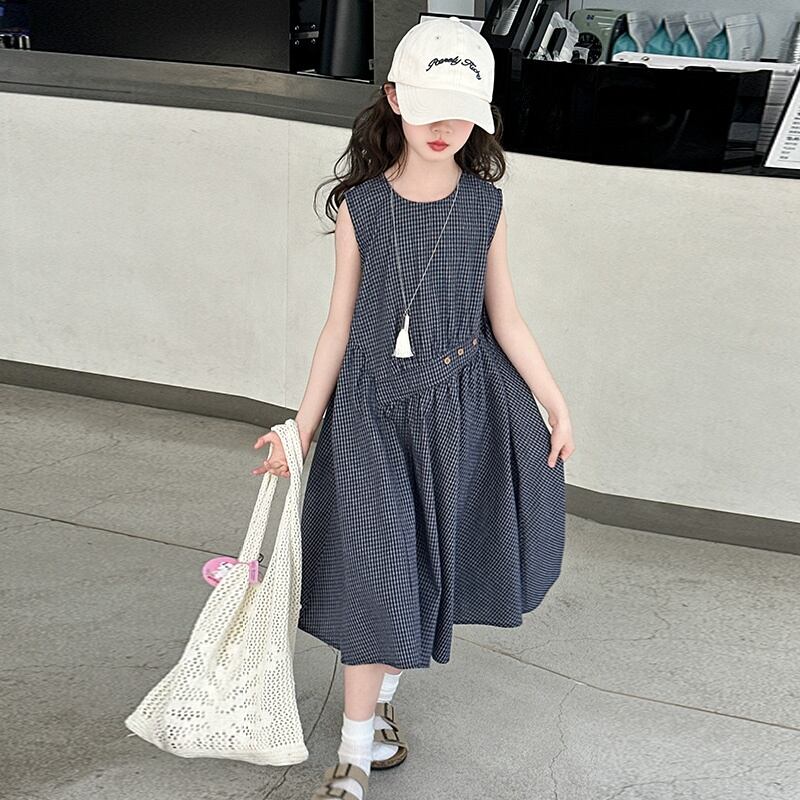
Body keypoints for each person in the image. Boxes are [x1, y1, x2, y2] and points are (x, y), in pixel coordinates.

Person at [251, 15, 574, 800]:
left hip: (461, 411)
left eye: (461, 112)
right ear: (394, 99)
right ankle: (353, 756)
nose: (444, 128)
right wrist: (301, 427)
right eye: (430, 107)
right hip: (368, 413)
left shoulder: (484, 206)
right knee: (376, 568)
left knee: (426, 565)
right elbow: (338, 324)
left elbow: (506, 318)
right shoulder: (361, 207)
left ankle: (381, 705)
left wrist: (555, 402)